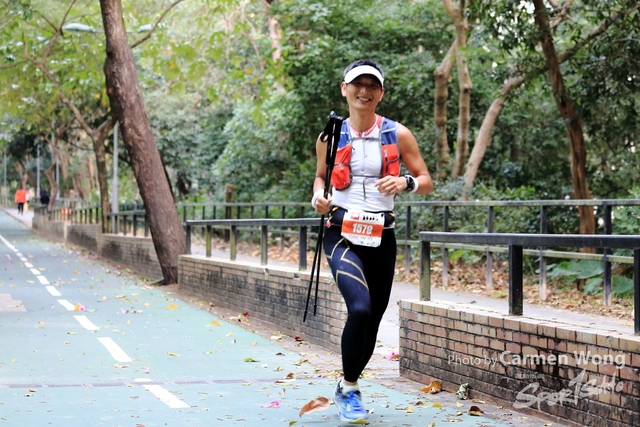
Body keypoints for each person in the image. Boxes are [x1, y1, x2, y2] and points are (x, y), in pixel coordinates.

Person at [311, 59, 433, 423]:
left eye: (372, 86)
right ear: (344, 89)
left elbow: (425, 179)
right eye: (357, 84)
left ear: (380, 93)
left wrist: (405, 182)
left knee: (373, 319)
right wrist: (318, 197)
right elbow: (320, 178)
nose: (364, 91)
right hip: (340, 233)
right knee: (360, 309)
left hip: (382, 236)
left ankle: (346, 384)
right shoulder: (329, 137)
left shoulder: (398, 133)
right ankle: (350, 389)